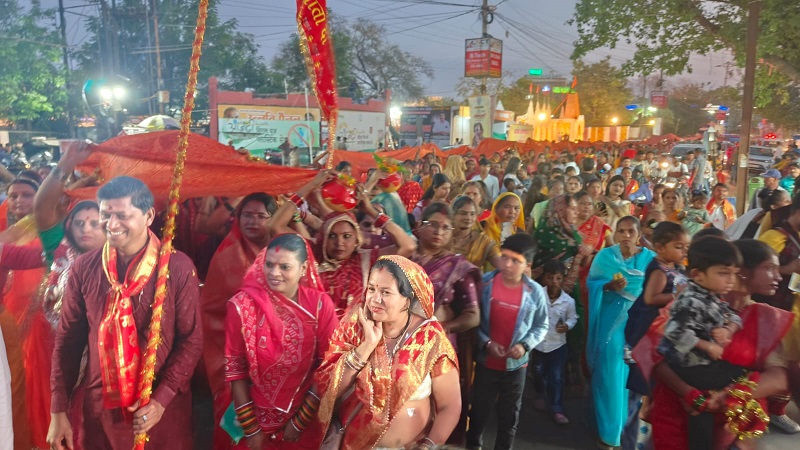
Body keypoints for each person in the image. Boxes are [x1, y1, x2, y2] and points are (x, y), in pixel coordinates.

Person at [48, 176, 202, 450]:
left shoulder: (176, 267)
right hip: (101, 409)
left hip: (160, 411)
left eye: (122, 216)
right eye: (106, 215)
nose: (112, 224)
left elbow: (191, 341)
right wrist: (58, 409)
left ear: (149, 216)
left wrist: (162, 399)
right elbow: (68, 341)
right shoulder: (85, 268)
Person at [640, 240, 796, 449]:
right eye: (770, 268)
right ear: (742, 271)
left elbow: (779, 377)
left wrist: (730, 395)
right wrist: (689, 394)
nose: (778, 276)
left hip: (732, 420)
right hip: (679, 410)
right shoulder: (691, 302)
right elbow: (656, 355)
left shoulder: (767, 317)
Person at [306, 255, 461, 449]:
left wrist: (428, 446)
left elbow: (449, 406)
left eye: (386, 292)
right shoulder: (355, 325)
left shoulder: (430, 339)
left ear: (407, 300)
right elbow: (329, 390)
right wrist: (367, 345)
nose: (375, 299)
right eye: (371, 289)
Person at [224, 234, 337, 449]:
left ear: (303, 269)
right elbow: (235, 369)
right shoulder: (243, 305)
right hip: (251, 417)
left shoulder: (320, 306)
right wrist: (252, 429)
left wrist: (300, 420)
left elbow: (328, 366)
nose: (274, 273)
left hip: (304, 419)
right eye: (269, 265)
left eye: (285, 267)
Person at [201, 192, 277, 449]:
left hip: (278, 357)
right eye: (247, 215)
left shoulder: (285, 255)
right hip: (233, 355)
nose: (252, 221)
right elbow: (211, 310)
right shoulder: (227, 256)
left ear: (274, 219)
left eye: (261, 216)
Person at [657, 236, 745, 448]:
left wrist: (728, 329)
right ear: (697, 274)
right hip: (691, 367)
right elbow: (674, 332)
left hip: (704, 364)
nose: (731, 280)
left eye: (734, 274)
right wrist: (708, 346)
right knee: (703, 417)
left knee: (741, 374)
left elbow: (734, 316)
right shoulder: (691, 300)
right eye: (723, 273)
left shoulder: (712, 295)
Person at [466, 233, 549, 450]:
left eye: (515, 261)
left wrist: (524, 345)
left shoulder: (535, 292)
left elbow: (541, 325)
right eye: (504, 257)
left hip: (515, 368)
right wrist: (486, 343)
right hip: (486, 364)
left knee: (508, 418)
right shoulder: (484, 283)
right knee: (478, 414)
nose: (507, 264)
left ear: (528, 265)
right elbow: (473, 320)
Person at [411, 202, 481, 443]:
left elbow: (473, 315)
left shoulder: (456, 267)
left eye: (446, 228)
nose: (439, 232)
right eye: (433, 225)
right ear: (419, 226)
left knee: (435, 407)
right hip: (400, 345)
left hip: (438, 349)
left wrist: (441, 328)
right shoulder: (403, 257)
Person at [587, 216, 656, 449]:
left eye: (631, 231)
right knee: (609, 370)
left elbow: (657, 287)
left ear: (639, 235)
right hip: (611, 321)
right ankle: (610, 431)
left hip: (639, 322)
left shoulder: (650, 259)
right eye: (621, 231)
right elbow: (592, 284)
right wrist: (608, 286)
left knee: (632, 373)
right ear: (615, 234)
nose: (626, 235)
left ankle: (628, 428)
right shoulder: (605, 257)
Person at [622, 222, 689, 449]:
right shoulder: (661, 272)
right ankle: (631, 441)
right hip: (648, 336)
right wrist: (678, 295)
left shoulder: (673, 267)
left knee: (648, 390)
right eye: (678, 247)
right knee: (641, 391)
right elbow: (651, 298)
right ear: (660, 248)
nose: (684, 251)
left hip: (659, 335)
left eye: (686, 247)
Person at [533, 259, 578, 425]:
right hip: (538, 344)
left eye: (558, 278)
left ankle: (557, 408)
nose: (554, 282)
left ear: (563, 279)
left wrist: (567, 326)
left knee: (556, 377)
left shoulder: (568, 301)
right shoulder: (537, 295)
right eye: (550, 278)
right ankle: (540, 393)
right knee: (538, 371)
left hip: (558, 345)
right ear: (544, 278)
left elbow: (573, 318)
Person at [451, 196, 502, 270]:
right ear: (453, 215)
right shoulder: (443, 237)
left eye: (472, 214)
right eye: (463, 213)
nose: (468, 218)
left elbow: (501, 263)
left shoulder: (483, 241)